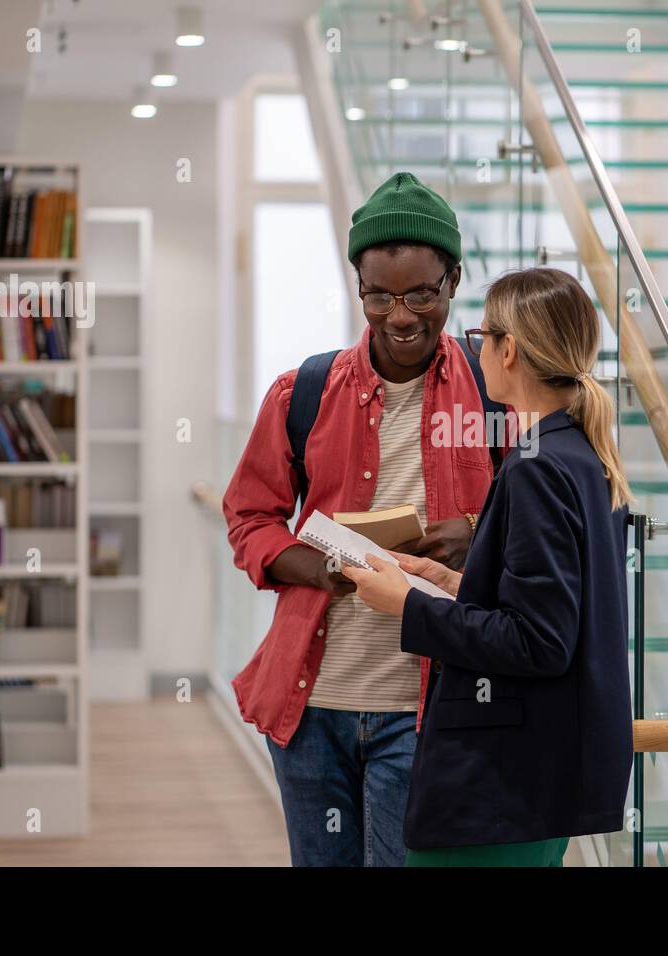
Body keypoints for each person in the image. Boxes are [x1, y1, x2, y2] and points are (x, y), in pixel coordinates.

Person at [222, 172, 497, 866]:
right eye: (379, 295)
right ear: (359, 288)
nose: (399, 316)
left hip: (427, 709)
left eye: (420, 295)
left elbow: (557, 516)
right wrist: (317, 567)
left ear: (453, 281)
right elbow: (250, 516)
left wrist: (478, 529)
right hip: (310, 711)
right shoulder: (302, 392)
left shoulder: (496, 396)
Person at [342, 267, 634, 866]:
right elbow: (554, 610)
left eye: (482, 337)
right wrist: (455, 584)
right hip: (545, 776)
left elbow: (538, 641)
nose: (476, 352)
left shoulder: (536, 466)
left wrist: (407, 605)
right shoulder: (582, 456)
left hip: (501, 784)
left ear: (511, 350)